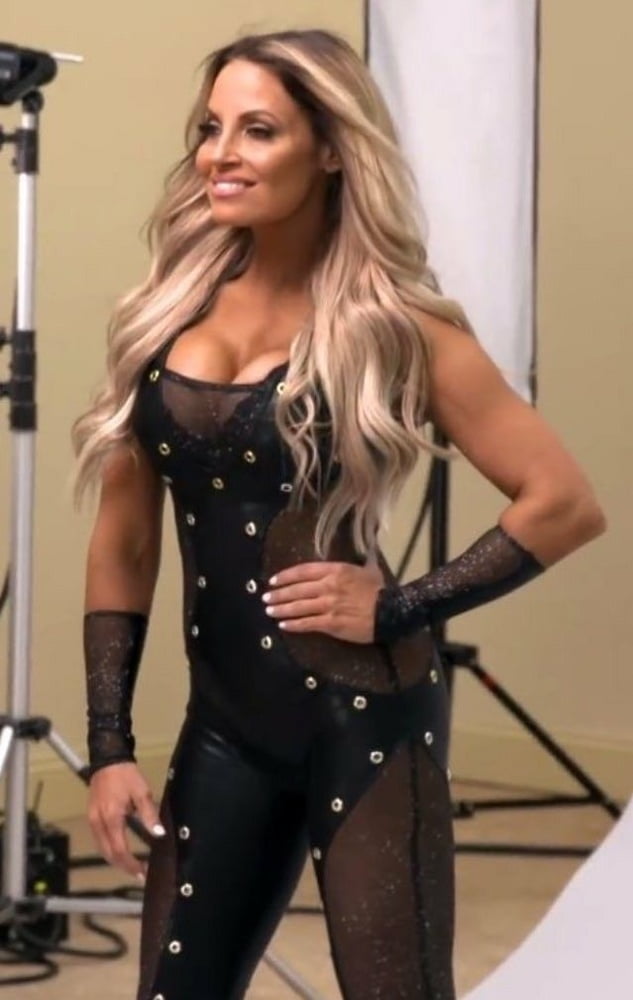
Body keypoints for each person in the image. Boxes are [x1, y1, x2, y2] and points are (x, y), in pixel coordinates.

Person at [71, 28, 606, 1000]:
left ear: (328, 148)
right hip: (224, 726)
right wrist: (108, 748)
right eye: (210, 128)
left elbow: (564, 502)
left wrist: (399, 606)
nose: (221, 153)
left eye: (258, 129)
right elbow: (127, 541)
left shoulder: (394, 324)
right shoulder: (163, 312)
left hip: (366, 722)